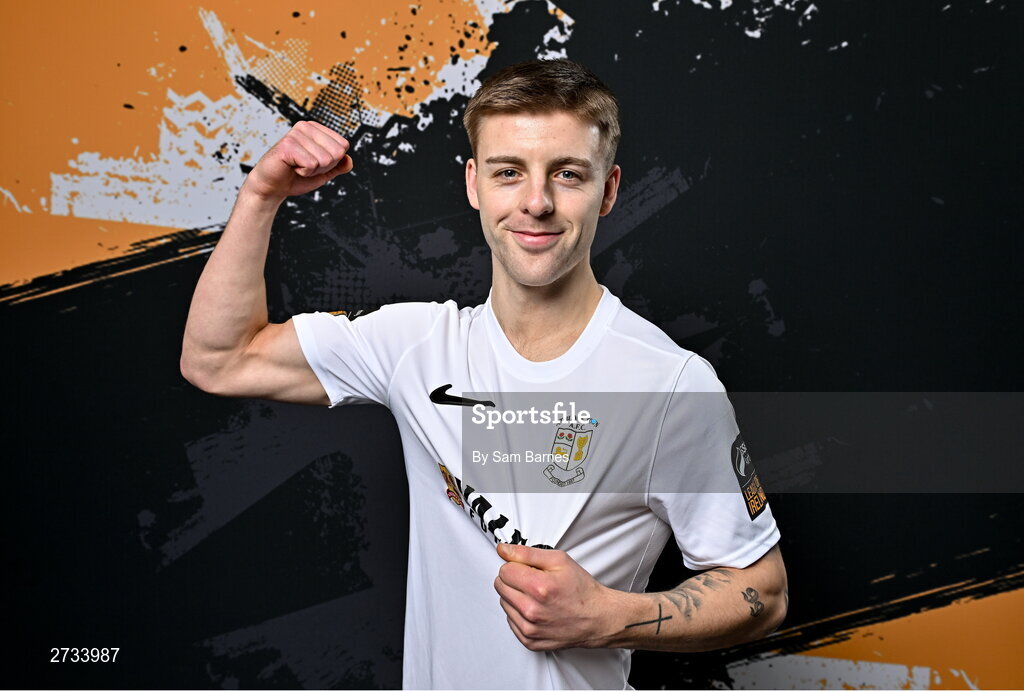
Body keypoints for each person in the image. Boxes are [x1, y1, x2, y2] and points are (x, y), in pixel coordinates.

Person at [181, 58, 788, 689]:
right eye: (508, 172)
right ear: (474, 184)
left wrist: (610, 616)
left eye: (568, 175)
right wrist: (261, 194)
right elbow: (218, 358)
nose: (536, 202)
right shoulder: (416, 347)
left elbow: (762, 593)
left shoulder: (670, 385)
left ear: (608, 191)